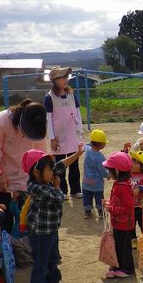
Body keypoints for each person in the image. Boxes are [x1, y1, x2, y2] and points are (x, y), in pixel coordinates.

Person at [23, 145, 84, 283]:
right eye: (49, 171)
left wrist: (76, 154)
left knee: (53, 258)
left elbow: (60, 165)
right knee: (41, 263)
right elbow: (57, 198)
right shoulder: (35, 187)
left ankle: (52, 282)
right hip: (40, 232)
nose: (53, 173)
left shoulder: (45, 176)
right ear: (36, 172)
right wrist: (57, 186)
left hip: (51, 229)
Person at [0, 99, 48, 233]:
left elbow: (41, 155)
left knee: (26, 219)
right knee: (4, 220)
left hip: (26, 178)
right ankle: (5, 250)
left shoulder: (39, 125)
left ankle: (25, 250)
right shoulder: (2, 121)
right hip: (3, 176)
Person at [44, 66, 84, 198]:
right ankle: (61, 190)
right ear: (55, 80)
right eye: (63, 77)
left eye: (66, 77)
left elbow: (77, 112)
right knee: (59, 166)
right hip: (59, 137)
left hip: (72, 135)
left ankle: (75, 190)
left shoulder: (72, 95)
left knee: (74, 163)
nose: (66, 80)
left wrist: (79, 131)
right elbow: (48, 119)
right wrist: (52, 138)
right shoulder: (49, 97)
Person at [103, 152, 136, 278]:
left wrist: (111, 207)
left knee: (124, 247)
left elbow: (127, 207)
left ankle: (127, 269)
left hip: (124, 224)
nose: (108, 173)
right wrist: (109, 202)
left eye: (110, 170)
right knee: (118, 245)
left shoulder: (123, 187)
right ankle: (117, 266)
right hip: (119, 222)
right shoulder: (120, 184)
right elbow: (119, 201)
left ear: (117, 171)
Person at [82, 129, 109, 219]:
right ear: (101, 145)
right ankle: (100, 212)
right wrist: (108, 175)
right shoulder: (100, 157)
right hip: (97, 183)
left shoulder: (88, 150)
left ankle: (87, 212)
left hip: (86, 182)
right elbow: (103, 170)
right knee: (99, 198)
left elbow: (87, 144)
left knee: (87, 197)